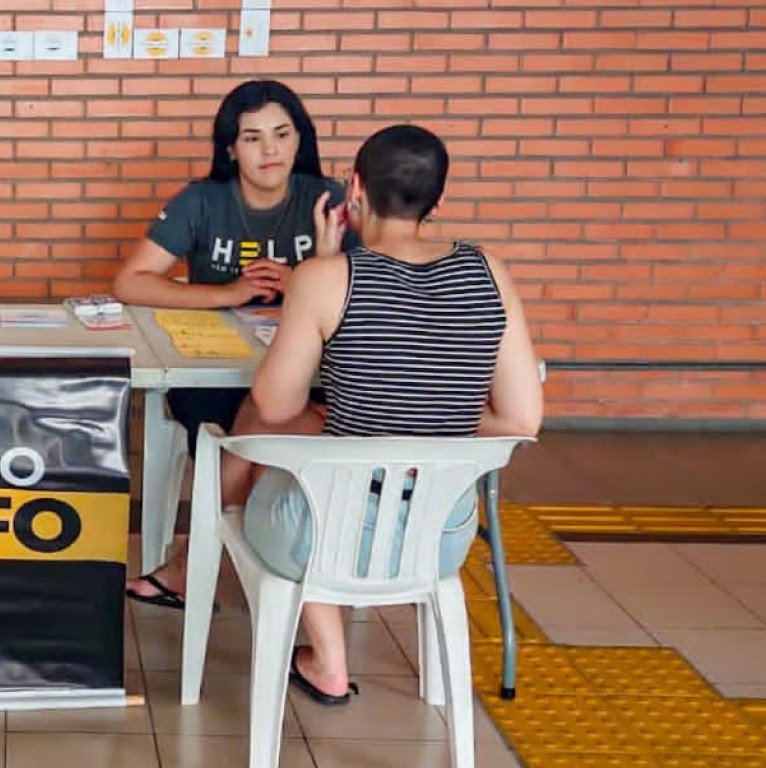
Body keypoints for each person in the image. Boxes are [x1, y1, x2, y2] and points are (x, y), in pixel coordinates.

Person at [242, 123, 543, 705]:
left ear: (355, 189)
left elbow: (275, 406)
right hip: (441, 540)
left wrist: (319, 275)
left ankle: (328, 657)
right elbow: (521, 420)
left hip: (330, 535)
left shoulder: (327, 279)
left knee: (257, 469)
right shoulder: (490, 272)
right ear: (438, 200)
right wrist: (435, 414)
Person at [113, 79, 350, 608]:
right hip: (214, 373)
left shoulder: (329, 201)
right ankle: (289, 591)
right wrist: (228, 293)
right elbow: (130, 282)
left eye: (282, 134)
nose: (270, 150)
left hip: (315, 377)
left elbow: (375, 285)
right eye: (252, 137)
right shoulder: (203, 200)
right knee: (266, 434)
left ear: (300, 139)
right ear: (230, 148)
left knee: (272, 432)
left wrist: (306, 283)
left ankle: (203, 570)